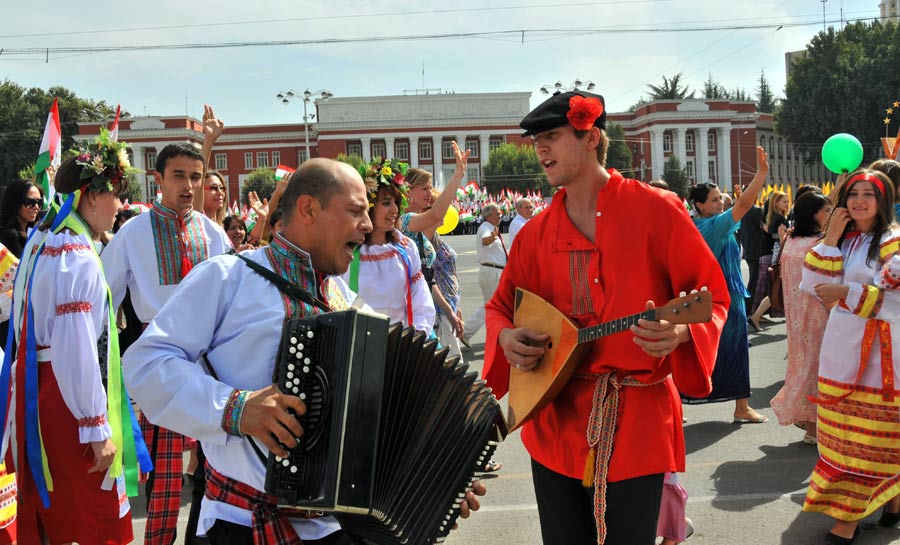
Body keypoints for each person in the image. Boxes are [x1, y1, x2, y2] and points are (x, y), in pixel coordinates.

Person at [123, 158, 485, 544]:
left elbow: (384, 409)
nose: (367, 225)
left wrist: (440, 475)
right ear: (309, 209)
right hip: (242, 523)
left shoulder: (346, 301)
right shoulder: (227, 278)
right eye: (355, 211)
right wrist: (236, 408)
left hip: (335, 528)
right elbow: (147, 364)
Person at [483, 90, 729, 545]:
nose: (540, 148)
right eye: (537, 139)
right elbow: (500, 308)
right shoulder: (535, 233)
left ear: (591, 137)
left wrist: (682, 331)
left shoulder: (657, 211)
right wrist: (504, 338)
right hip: (555, 421)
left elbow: (713, 299)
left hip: (637, 422)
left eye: (552, 136)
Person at [3, 134, 150, 545]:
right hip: (68, 402)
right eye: (114, 195)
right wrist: (96, 427)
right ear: (89, 196)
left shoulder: (48, 243)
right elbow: (76, 346)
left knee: (61, 515)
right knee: (91, 521)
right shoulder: (75, 255)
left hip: (45, 391)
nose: (119, 206)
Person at [101, 141, 231, 545]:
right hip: (163, 360)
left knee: (218, 464)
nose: (189, 185)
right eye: (178, 175)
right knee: (166, 474)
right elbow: (103, 296)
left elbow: (230, 299)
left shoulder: (213, 233)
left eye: (195, 176)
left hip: (211, 363)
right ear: (157, 179)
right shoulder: (132, 233)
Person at [800, 169, 900, 545]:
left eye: (868, 194)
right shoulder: (848, 241)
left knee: (872, 438)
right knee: (842, 437)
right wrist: (829, 238)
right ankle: (892, 505)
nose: (859, 201)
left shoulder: (893, 241)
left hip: (880, 356)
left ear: (883, 200)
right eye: (852, 194)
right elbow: (811, 285)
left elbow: (894, 299)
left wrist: (845, 291)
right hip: (842, 349)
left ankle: (846, 520)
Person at [683, 150, 769, 424]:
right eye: (715, 199)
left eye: (721, 198)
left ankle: (682, 405)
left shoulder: (698, 224)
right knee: (734, 351)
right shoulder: (716, 226)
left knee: (698, 352)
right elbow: (744, 205)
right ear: (699, 204)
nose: (721, 202)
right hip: (724, 299)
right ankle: (741, 407)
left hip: (711, 298)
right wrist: (761, 174)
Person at [340, 158, 436, 334]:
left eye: (396, 203)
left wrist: (418, 335)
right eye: (386, 203)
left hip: (401, 345)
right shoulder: (347, 252)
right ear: (368, 207)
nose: (394, 210)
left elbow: (421, 300)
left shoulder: (406, 249)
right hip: (361, 345)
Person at [770, 191, 830, 444]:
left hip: (796, 316)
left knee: (801, 367)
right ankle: (814, 428)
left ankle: (805, 421)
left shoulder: (792, 240)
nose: (829, 215)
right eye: (826, 210)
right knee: (817, 370)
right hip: (818, 313)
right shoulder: (819, 244)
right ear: (813, 214)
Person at [462, 203, 506, 345]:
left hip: (495, 271)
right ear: (488, 216)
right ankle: (466, 332)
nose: (500, 216)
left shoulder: (491, 228)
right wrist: (491, 238)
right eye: (497, 214)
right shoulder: (486, 228)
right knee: (491, 305)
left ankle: (468, 332)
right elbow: (485, 241)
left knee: (491, 305)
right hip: (492, 271)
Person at [0, 179, 44, 259]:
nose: (36, 207)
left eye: (39, 202)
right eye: (29, 202)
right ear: (15, 202)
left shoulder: (35, 233)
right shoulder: (9, 236)